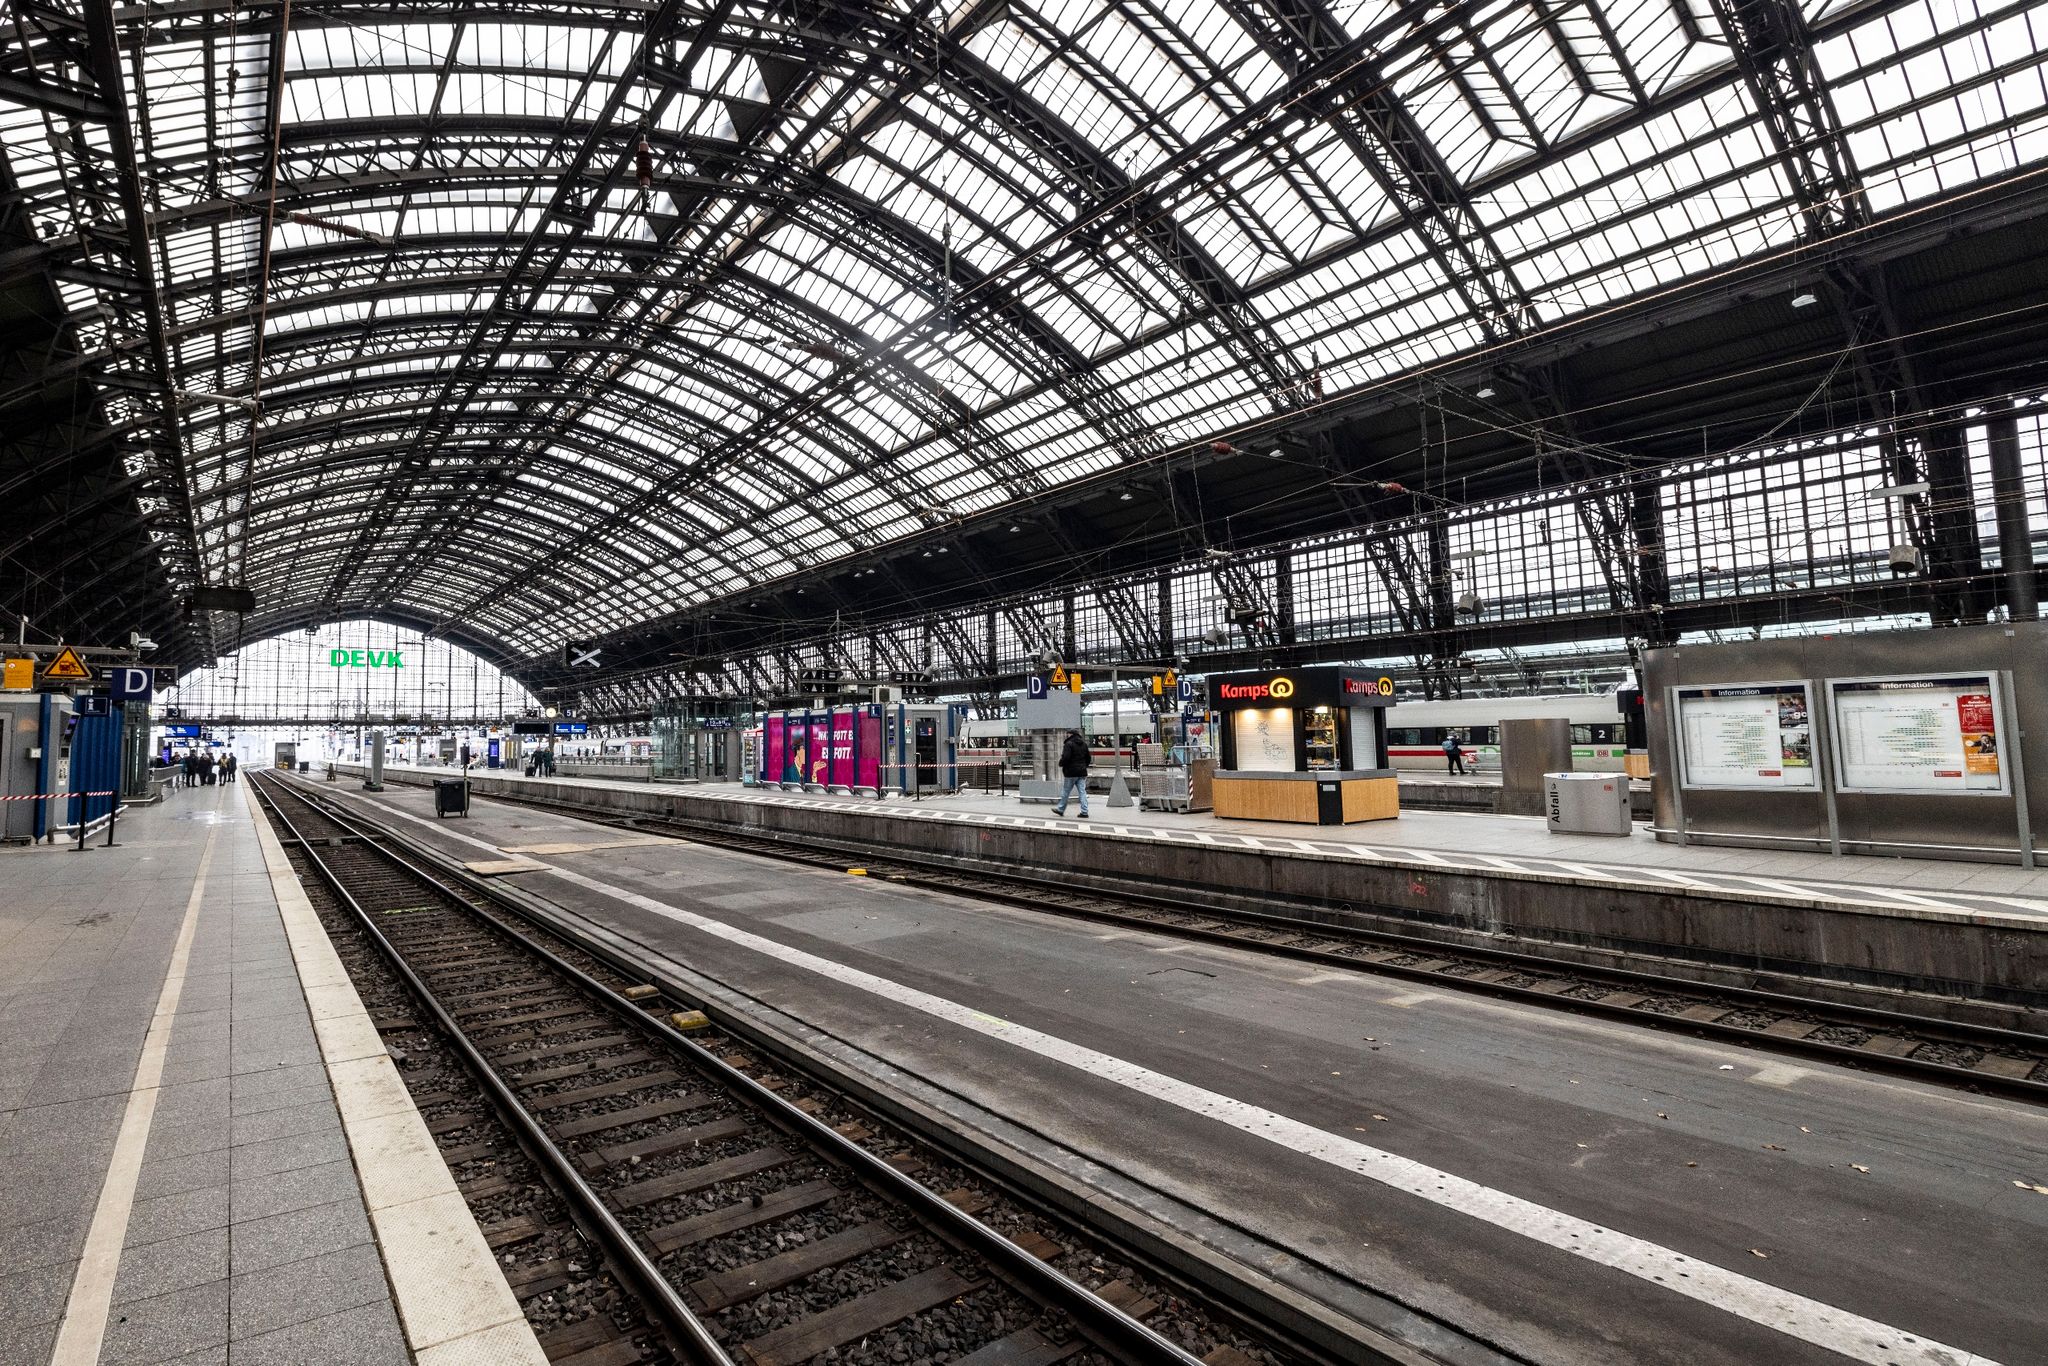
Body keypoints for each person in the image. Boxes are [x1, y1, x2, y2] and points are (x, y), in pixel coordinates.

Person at [1051, 727, 1091, 819]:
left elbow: (1066, 757)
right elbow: (1088, 758)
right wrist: (1084, 766)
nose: (1067, 735)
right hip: (1082, 772)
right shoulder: (1084, 744)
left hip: (1071, 772)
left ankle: (1061, 809)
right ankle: (1084, 811)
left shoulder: (1069, 744)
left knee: (1066, 791)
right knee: (1082, 792)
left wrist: (1061, 763)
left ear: (1071, 734)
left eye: (1068, 734)